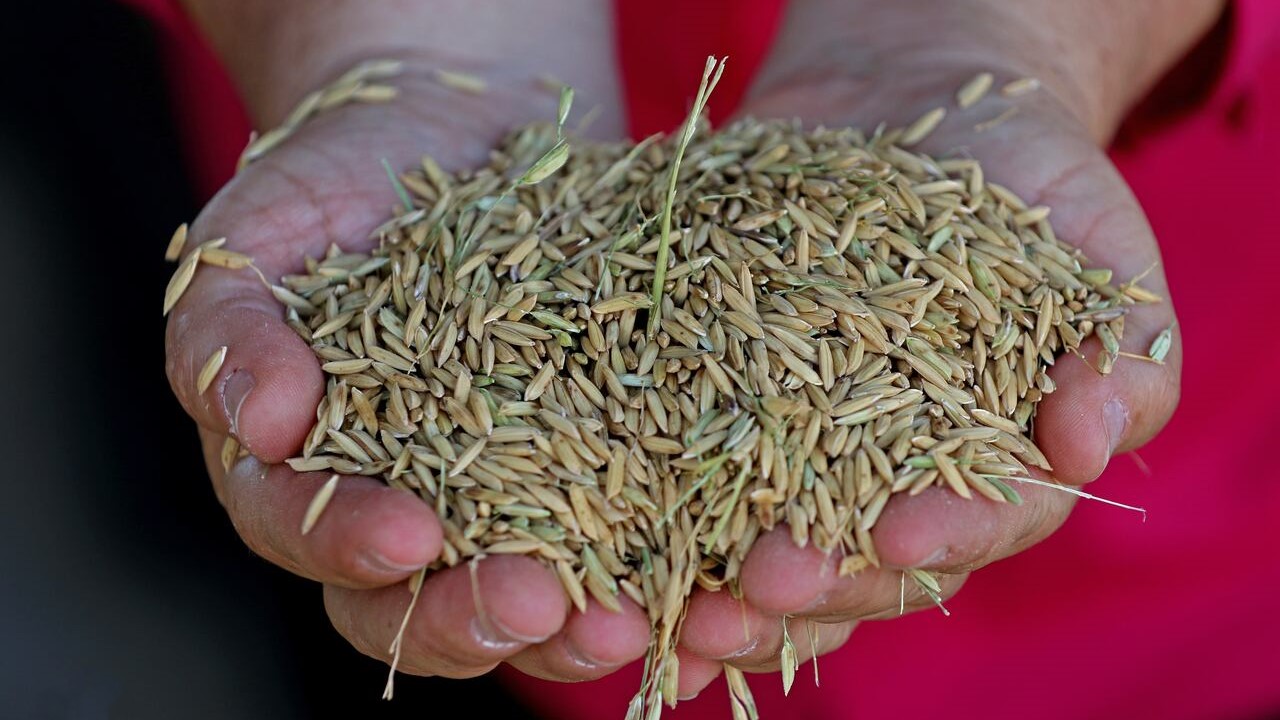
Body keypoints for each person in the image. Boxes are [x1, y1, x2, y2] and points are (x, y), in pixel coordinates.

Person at [152, 0, 1280, 717]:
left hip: (1200, 588)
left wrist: (1019, 26)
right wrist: (376, 35)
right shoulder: (462, 352)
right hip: (519, 627)